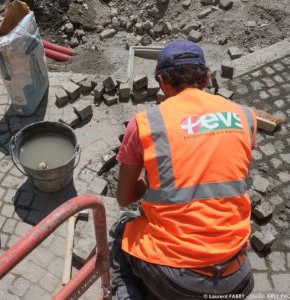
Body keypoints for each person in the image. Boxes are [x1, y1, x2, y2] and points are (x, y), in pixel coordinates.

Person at [110, 40, 257, 300]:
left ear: (161, 81)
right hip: (238, 276)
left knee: (123, 230)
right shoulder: (244, 117)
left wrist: (146, 176)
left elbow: (124, 198)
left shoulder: (146, 124)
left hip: (178, 280)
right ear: (207, 78)